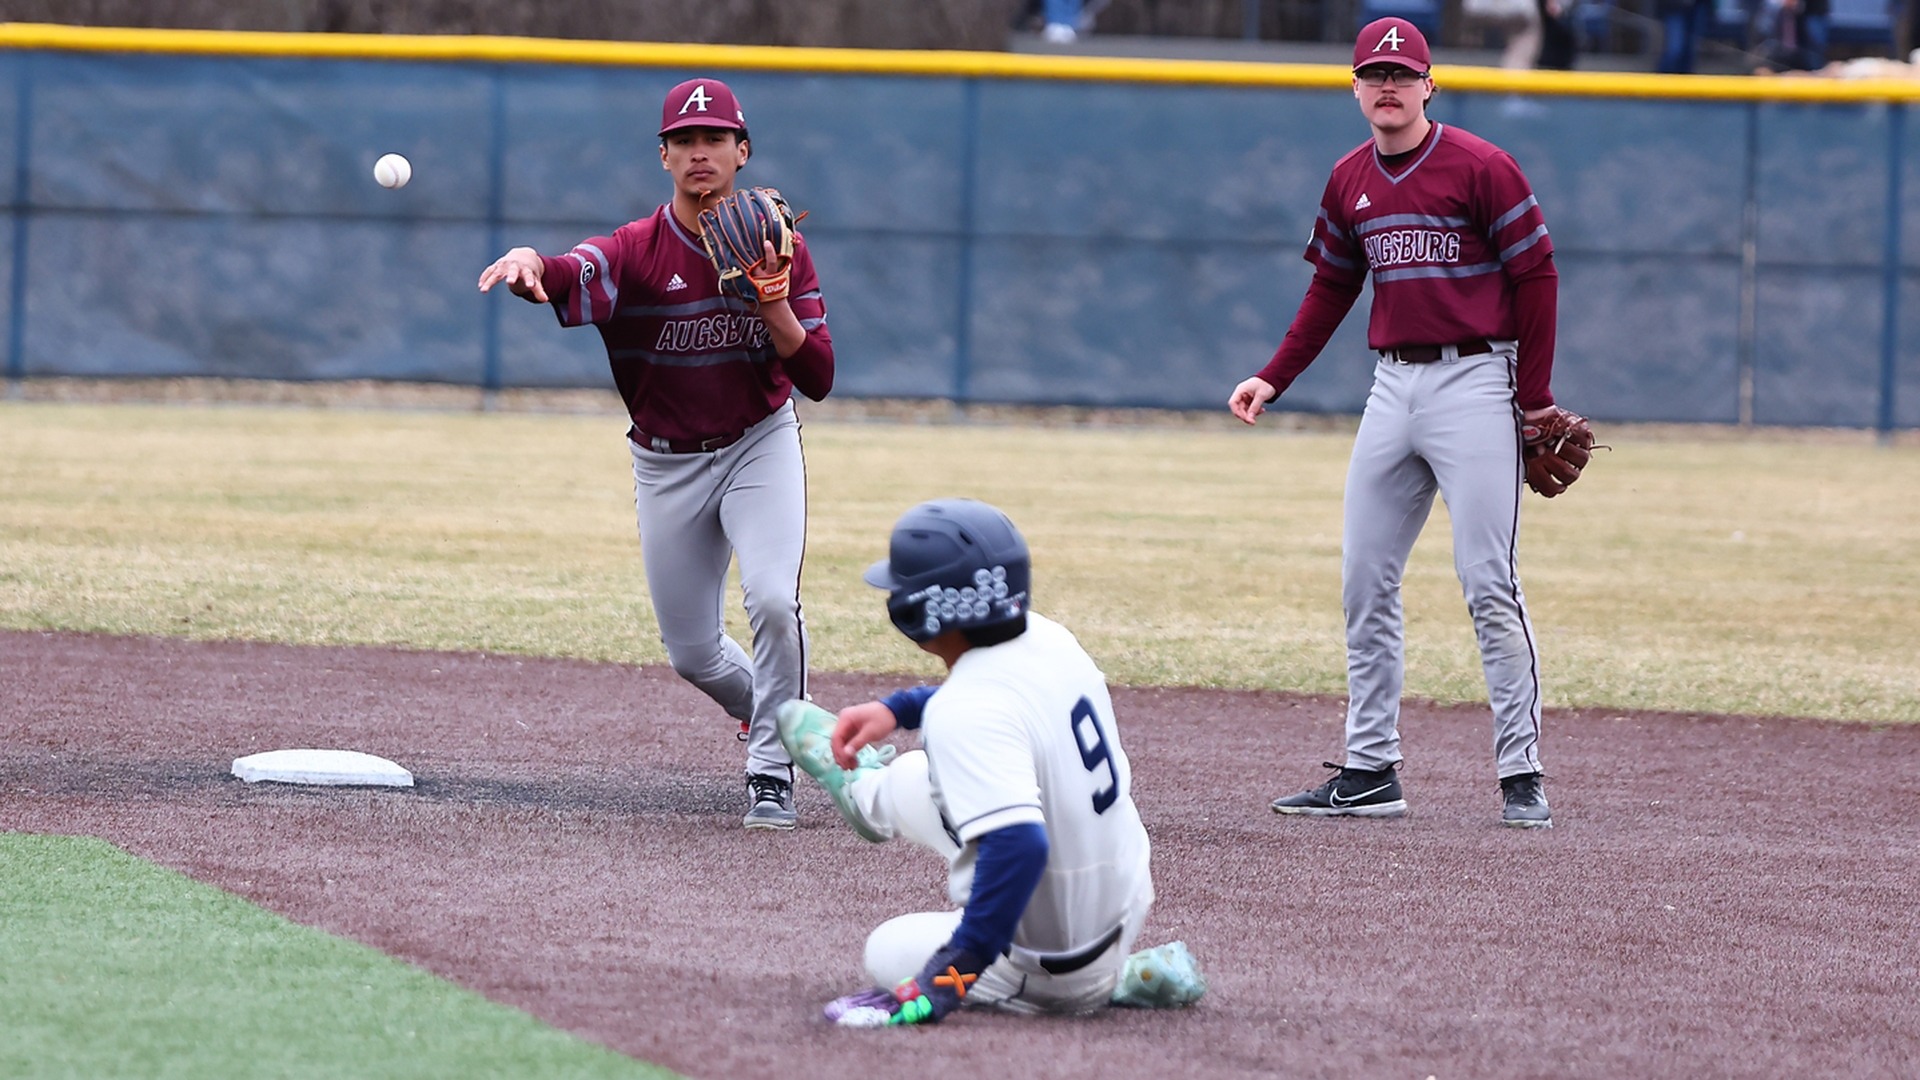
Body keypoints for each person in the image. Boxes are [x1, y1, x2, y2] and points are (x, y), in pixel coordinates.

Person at [1227, 18, 1560, 829]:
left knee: (1488, 581)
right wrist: (1274, 376)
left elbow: (1537, 278)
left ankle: (1521, 773)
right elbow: (1331, 290)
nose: (1387, 86)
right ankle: (1371, 769)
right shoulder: (1349, 179)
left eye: (1401, 74)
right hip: (1393, 387)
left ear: (1428, 84)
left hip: (1478, 378)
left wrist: (1536, 399)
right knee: (1363, 581)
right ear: (1354, 87)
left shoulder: (1482, 166)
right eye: (1373, 74)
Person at [477, 78, 833, 831]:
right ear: (664, 157)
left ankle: (770, 770)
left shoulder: (779, 245)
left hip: (758, 444)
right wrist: (529, 266)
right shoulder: (637, 252)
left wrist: (771, 299)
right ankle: (802, 728)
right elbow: (571, 271)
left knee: (772, 598)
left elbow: (820, 378)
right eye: (683, 141)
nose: (699, 153)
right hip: (665, 462)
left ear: (743, 152)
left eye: (714, 140)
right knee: (694, 654)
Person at [773, 499, 1205, 1025]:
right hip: (1125, 907)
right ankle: (866, 790)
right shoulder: (1051, 639)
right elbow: (1002, 706)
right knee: (915, 774)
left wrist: (951, 975)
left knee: (886, 950)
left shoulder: (966, 713)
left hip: (1049, 971)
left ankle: (1097, 986)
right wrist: (898, 708)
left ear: (923, 609)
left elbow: (1019, 845)